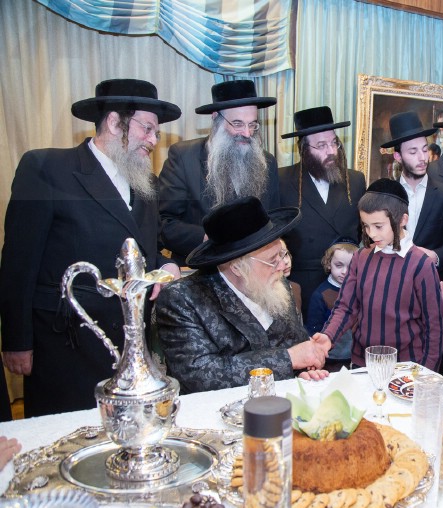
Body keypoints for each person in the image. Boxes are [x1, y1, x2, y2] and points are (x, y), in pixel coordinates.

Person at [0, 79, 182, 417]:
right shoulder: (47, 168)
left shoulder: (147, 183)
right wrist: (16, 341)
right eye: (147, 129)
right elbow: (18, 262)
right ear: (114, 122)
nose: (154, 140)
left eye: (156, 133)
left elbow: (145, 251)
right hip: (66, 342)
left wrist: (166, 266)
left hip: (127, 343)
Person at [155, 197, 328, 393]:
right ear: (237, 267)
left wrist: (306, 366)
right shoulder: (182, 299)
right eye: (273, 260)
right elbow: (199, 375)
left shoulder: (277, 285)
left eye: (282, 254)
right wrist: (289, 359)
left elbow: (296, 344)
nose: (282, 266)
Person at [313, 179, 443, 370]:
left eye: (378, 226)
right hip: (362, 363)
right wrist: (328, 336)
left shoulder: (421, 265)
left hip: (405, 368)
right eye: (366, 226)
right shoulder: (361, 257)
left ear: (403, 220)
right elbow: (346, 307)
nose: (371, 234)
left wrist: (426, 374)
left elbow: (434, 328)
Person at [158, 80, 280, 265]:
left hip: (255, 270)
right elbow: (164, 223)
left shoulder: (267, 162)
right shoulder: (184, 157)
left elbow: (274, 219)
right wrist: (209, 238)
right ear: (216, 118)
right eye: (237, 124)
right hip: (202, 270)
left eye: (252, 124)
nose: (247, 133)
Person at [278, 106, 367, 317]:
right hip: (302, 288)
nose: (331, 151)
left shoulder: (355, 180)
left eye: (334, 142)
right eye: (321, 145)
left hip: (346, 286)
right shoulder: (282, 180)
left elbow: (363, 233)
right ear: (304, 149)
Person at [382, 112, 443, 300]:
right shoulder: (385, 196)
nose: (422, 158)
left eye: (424, 150)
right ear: (398, 156)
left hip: (431, 291)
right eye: (413, 152)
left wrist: (436, 255)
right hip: (392, 290)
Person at [306, 239, 358, 370]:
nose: (344, 271)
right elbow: (313, 330)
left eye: (351, 267)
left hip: (356, 356)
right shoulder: (320, 294)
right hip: (331, 358)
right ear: (329, 264)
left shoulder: (360, 290)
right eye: (339, 265)